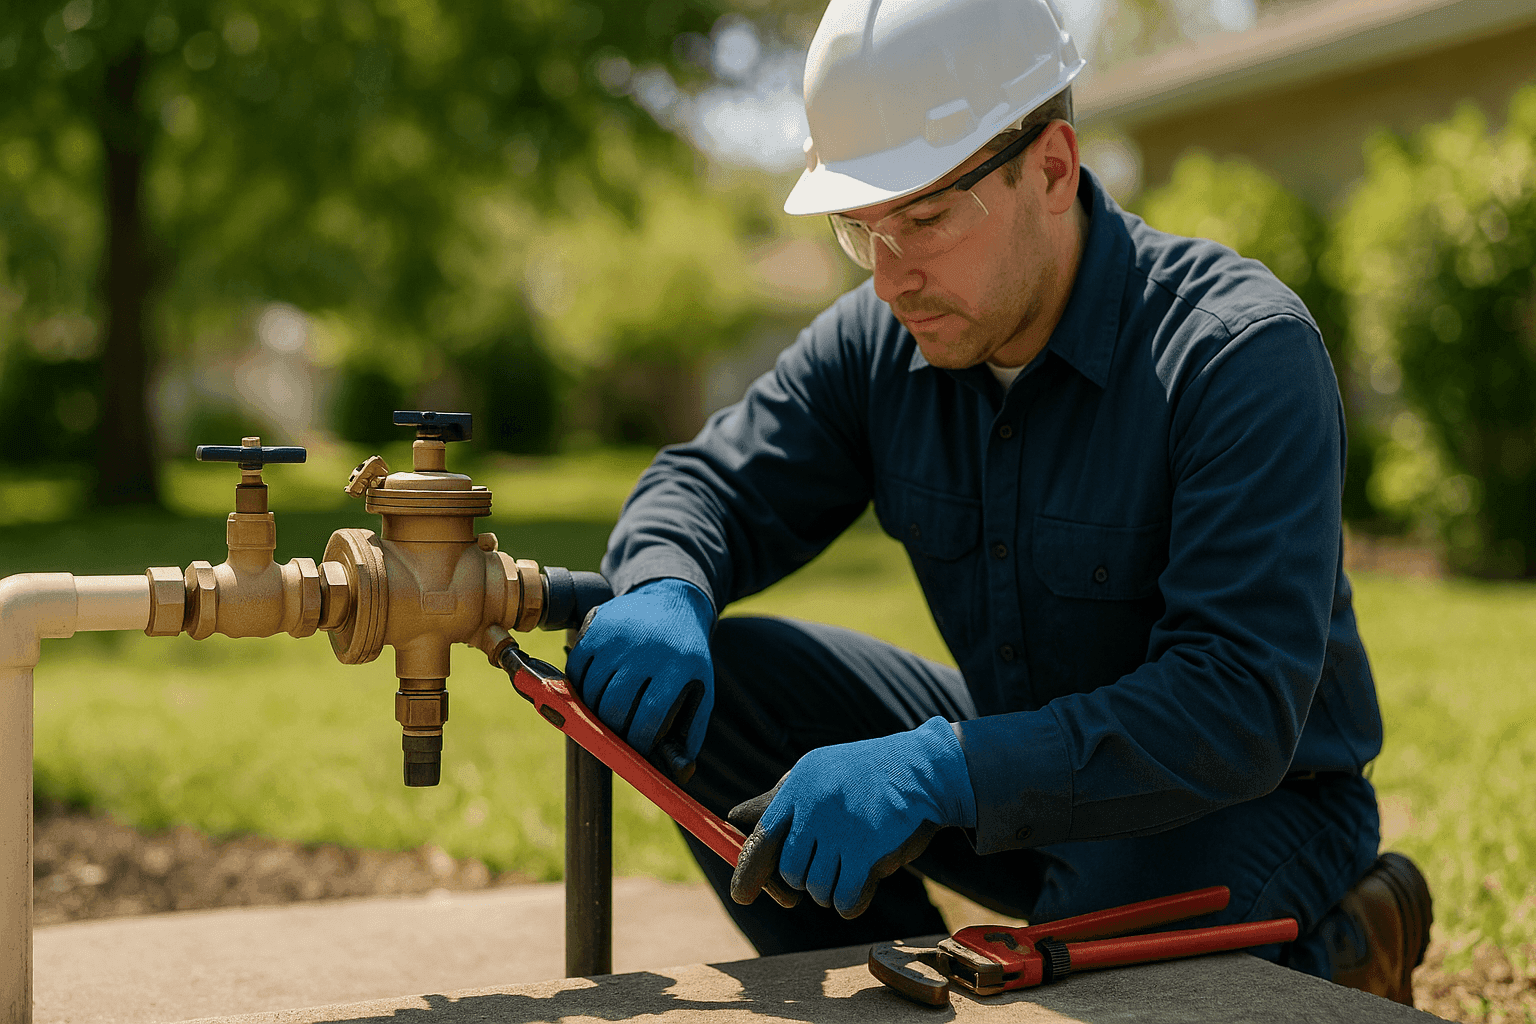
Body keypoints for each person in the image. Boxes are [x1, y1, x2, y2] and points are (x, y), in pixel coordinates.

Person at [567, 0, 1433, 1005]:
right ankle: (895, 993)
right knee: (721, 689)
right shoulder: (887, 341)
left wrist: (940, 771)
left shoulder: (1236, 353)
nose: (890, 278)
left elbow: (1232, 703)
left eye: (924, 218)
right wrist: (664, 579)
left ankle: (1343, 949)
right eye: (862, 230)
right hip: (1016, 772)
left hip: (1250, 800)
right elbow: (706, 482)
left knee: (1075, 978)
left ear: (1054, 168)